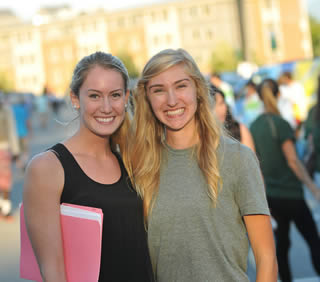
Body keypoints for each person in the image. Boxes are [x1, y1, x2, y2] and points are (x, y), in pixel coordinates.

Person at [125, 49, 277, 281]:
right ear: (147, 97)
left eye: (181, 86)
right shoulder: (140, 164)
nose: (172, 100)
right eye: (159, 90)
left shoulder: (237, 158)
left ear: (198, 89)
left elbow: (266, 258)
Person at [23, 52, 154, 282]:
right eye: (94, 96)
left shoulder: (131, 160)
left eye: (115, 95)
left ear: (126, 98)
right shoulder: (48, 167)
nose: (106, 107)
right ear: (75, 99)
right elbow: (52, 270)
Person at [250, 78, 320, 282]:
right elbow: (292, 160)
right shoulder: (280, 124)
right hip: (292, 194)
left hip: (272, 195)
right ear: (278, 95)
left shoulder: (254, 126)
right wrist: (312, 187)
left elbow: (257, 165)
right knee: (313, 241)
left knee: (282, 244)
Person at [211, 84, 256, 152]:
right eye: (213, 106)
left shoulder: (239, 129)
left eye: (221, 103)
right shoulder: (201, 136)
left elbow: (251, 159)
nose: (218, 110)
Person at [0, 94, 20, 218]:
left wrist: (15, 150)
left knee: (5, 180)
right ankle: (5, 208)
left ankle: (5, 208)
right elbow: (12, 131)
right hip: (5, 148)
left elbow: (12, 130)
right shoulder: (6, 110)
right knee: (5, 180)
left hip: (4, 148)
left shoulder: (6, 110)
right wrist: (16, 150)